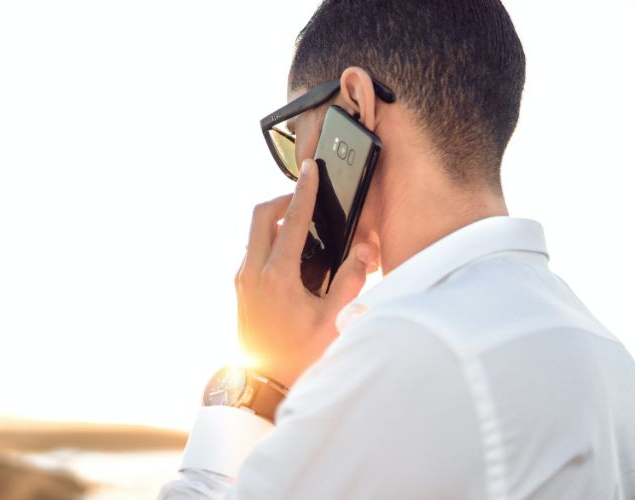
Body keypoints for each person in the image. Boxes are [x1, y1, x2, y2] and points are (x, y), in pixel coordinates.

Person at [158, 0, 635, 498]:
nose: (295, 166)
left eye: (295, 136)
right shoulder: (607, 354)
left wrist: (258, 387)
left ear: (356, 107)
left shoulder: (408, 350)